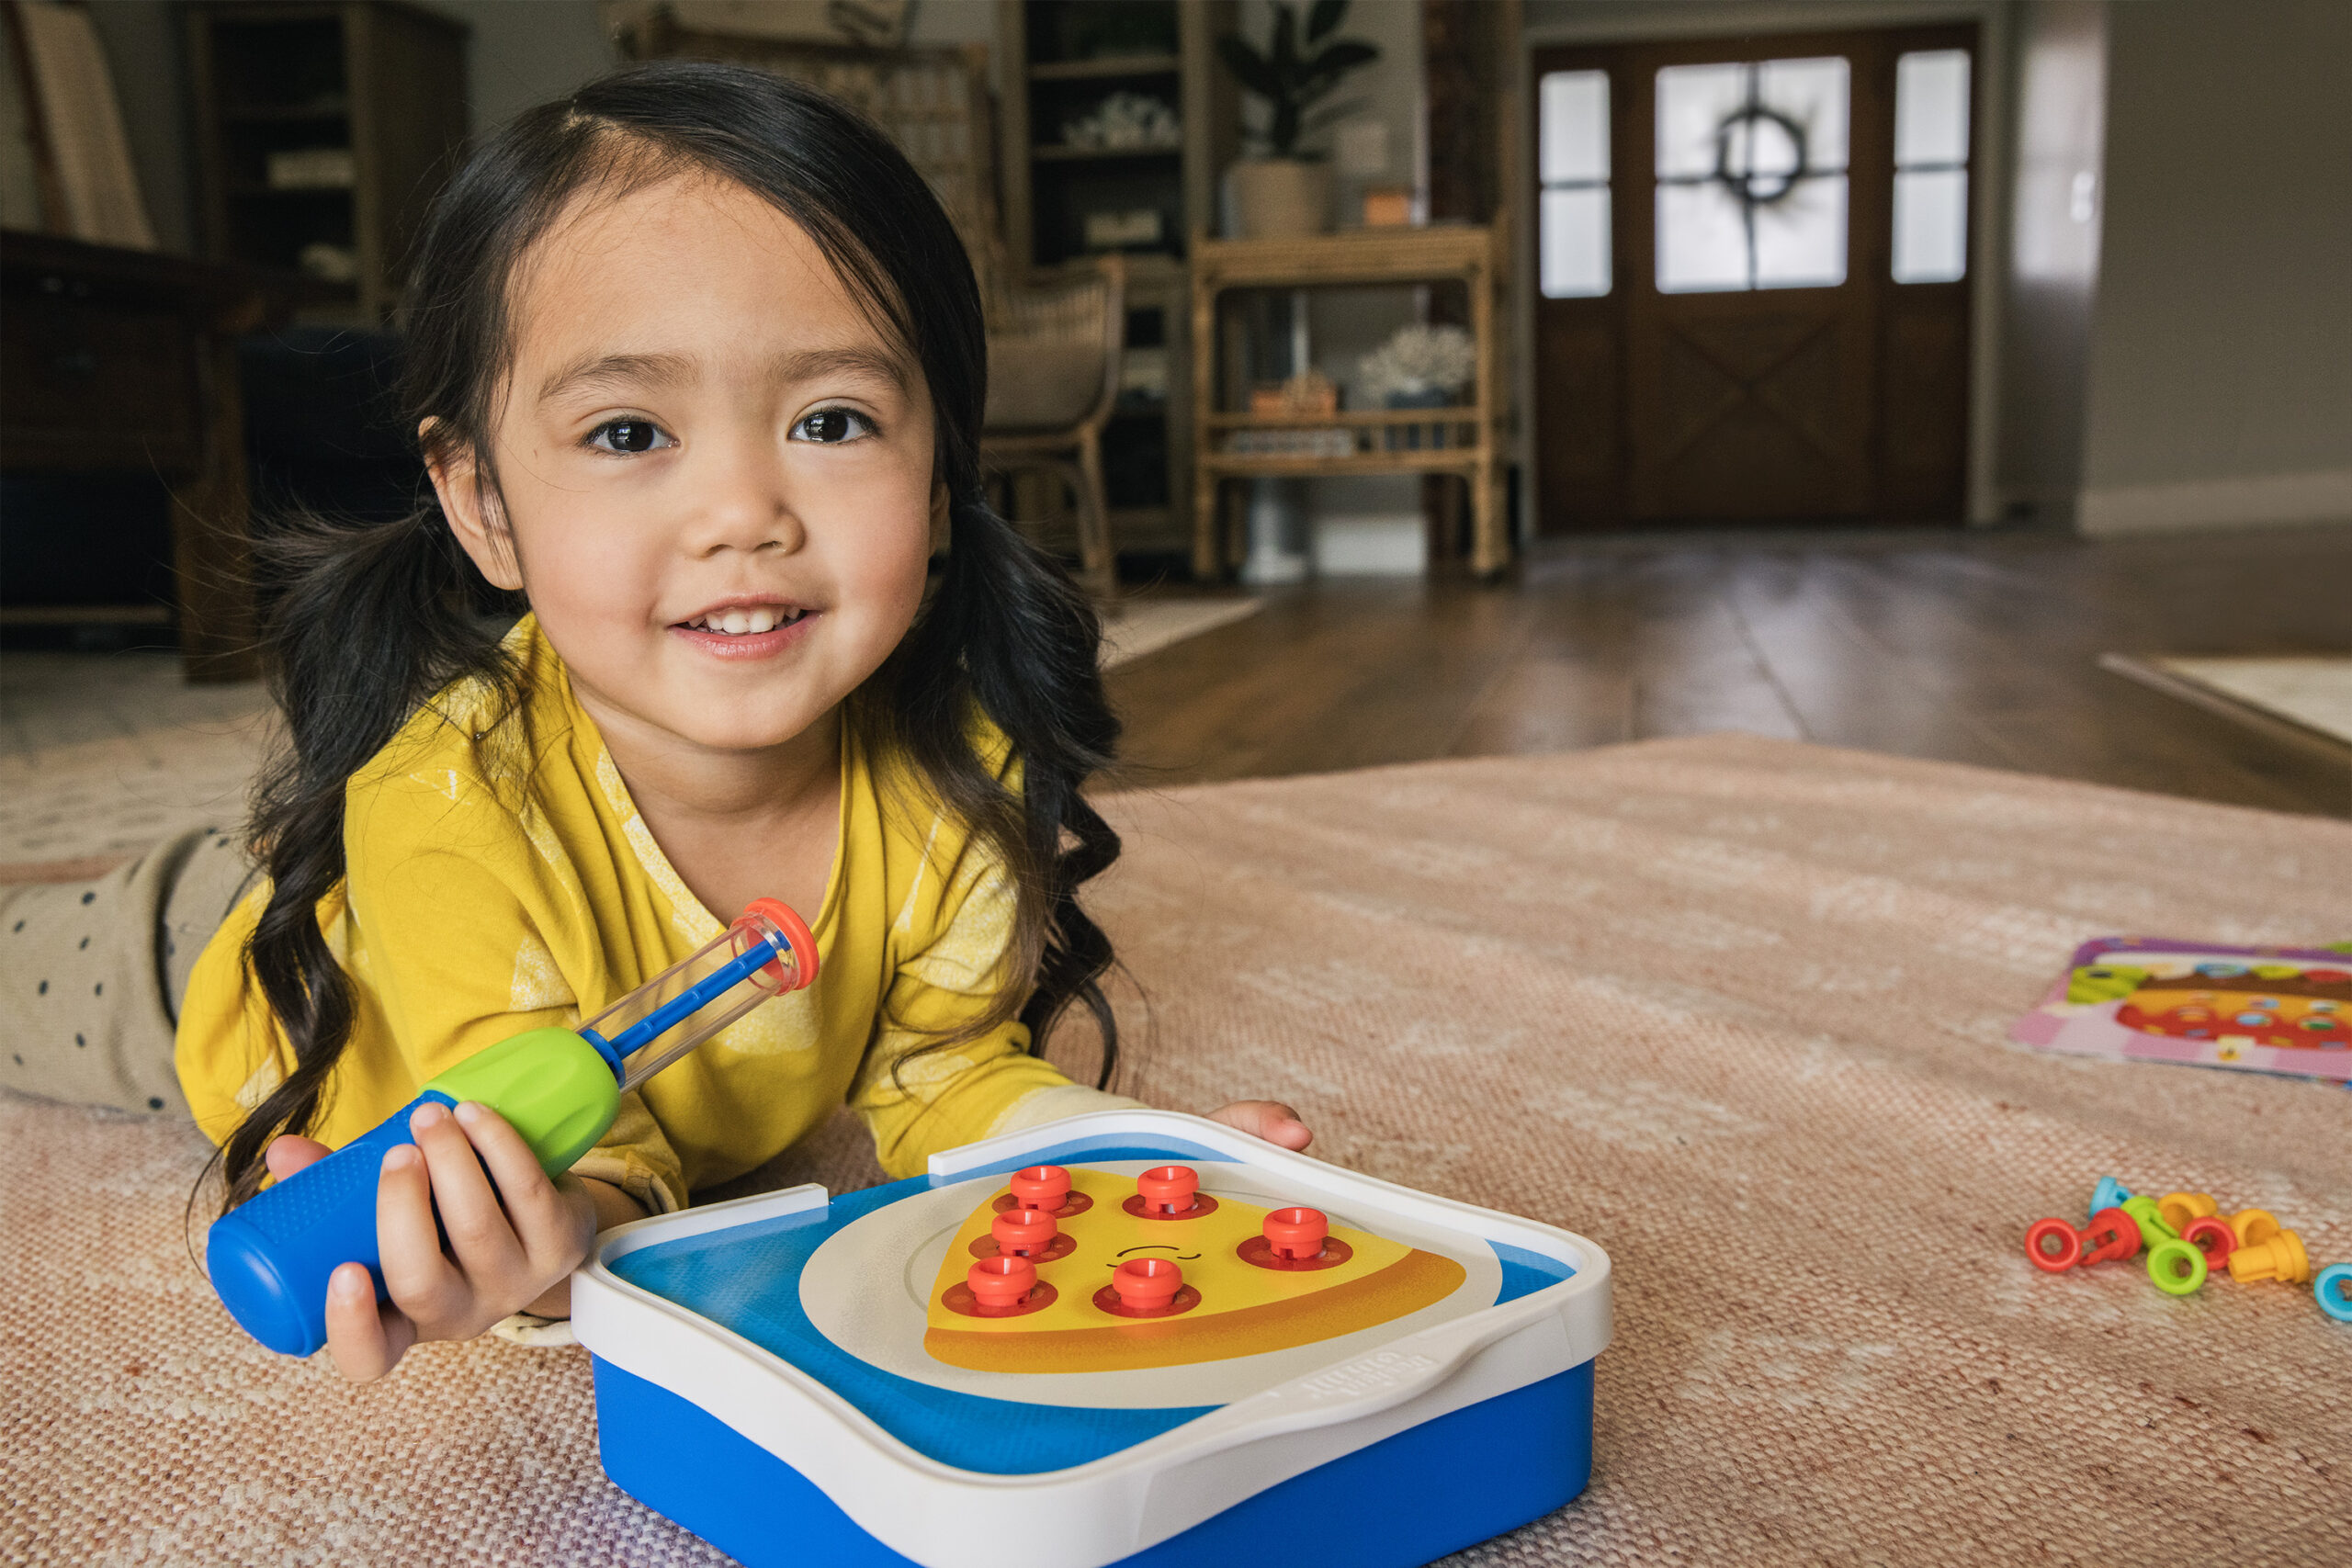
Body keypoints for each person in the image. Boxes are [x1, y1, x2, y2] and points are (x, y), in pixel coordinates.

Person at [0, 63, 1309, 1382]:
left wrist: (1121, 1160)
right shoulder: (445, 807)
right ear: (483, 505)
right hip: (232, 961)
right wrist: (559, 1230)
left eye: (833, 420)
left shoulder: (960, 779)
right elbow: (575, 1155)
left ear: (938, 481)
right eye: (629, 433)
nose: (743, 513)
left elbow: (944, 1071)